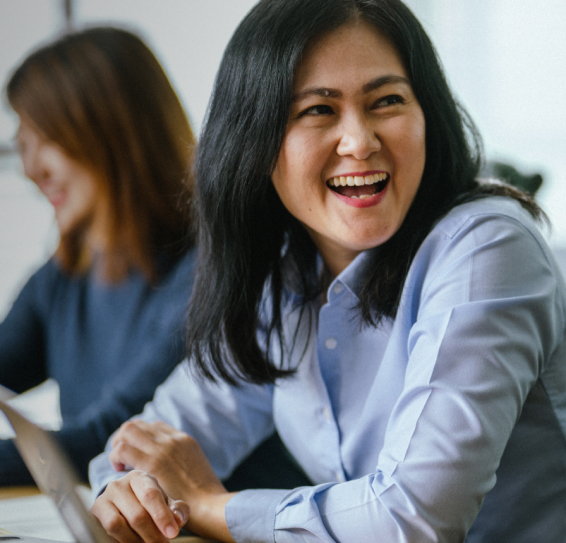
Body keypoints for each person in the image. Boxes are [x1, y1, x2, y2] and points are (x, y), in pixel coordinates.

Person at [89, 1, 566, 542]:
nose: (360, 142)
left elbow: (414, 519)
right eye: (318, 110)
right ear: (254, 139)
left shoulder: (486, 248)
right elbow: (143, 447)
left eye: (387, 101)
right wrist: (127, 493)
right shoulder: (285, 275)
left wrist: (208, 506)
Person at [0, 27, 197, 485]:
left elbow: (110, 438)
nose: (31, 169)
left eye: (45, 139)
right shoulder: (65, 273)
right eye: (23, 144)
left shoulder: (205, 270)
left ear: (112, 131)